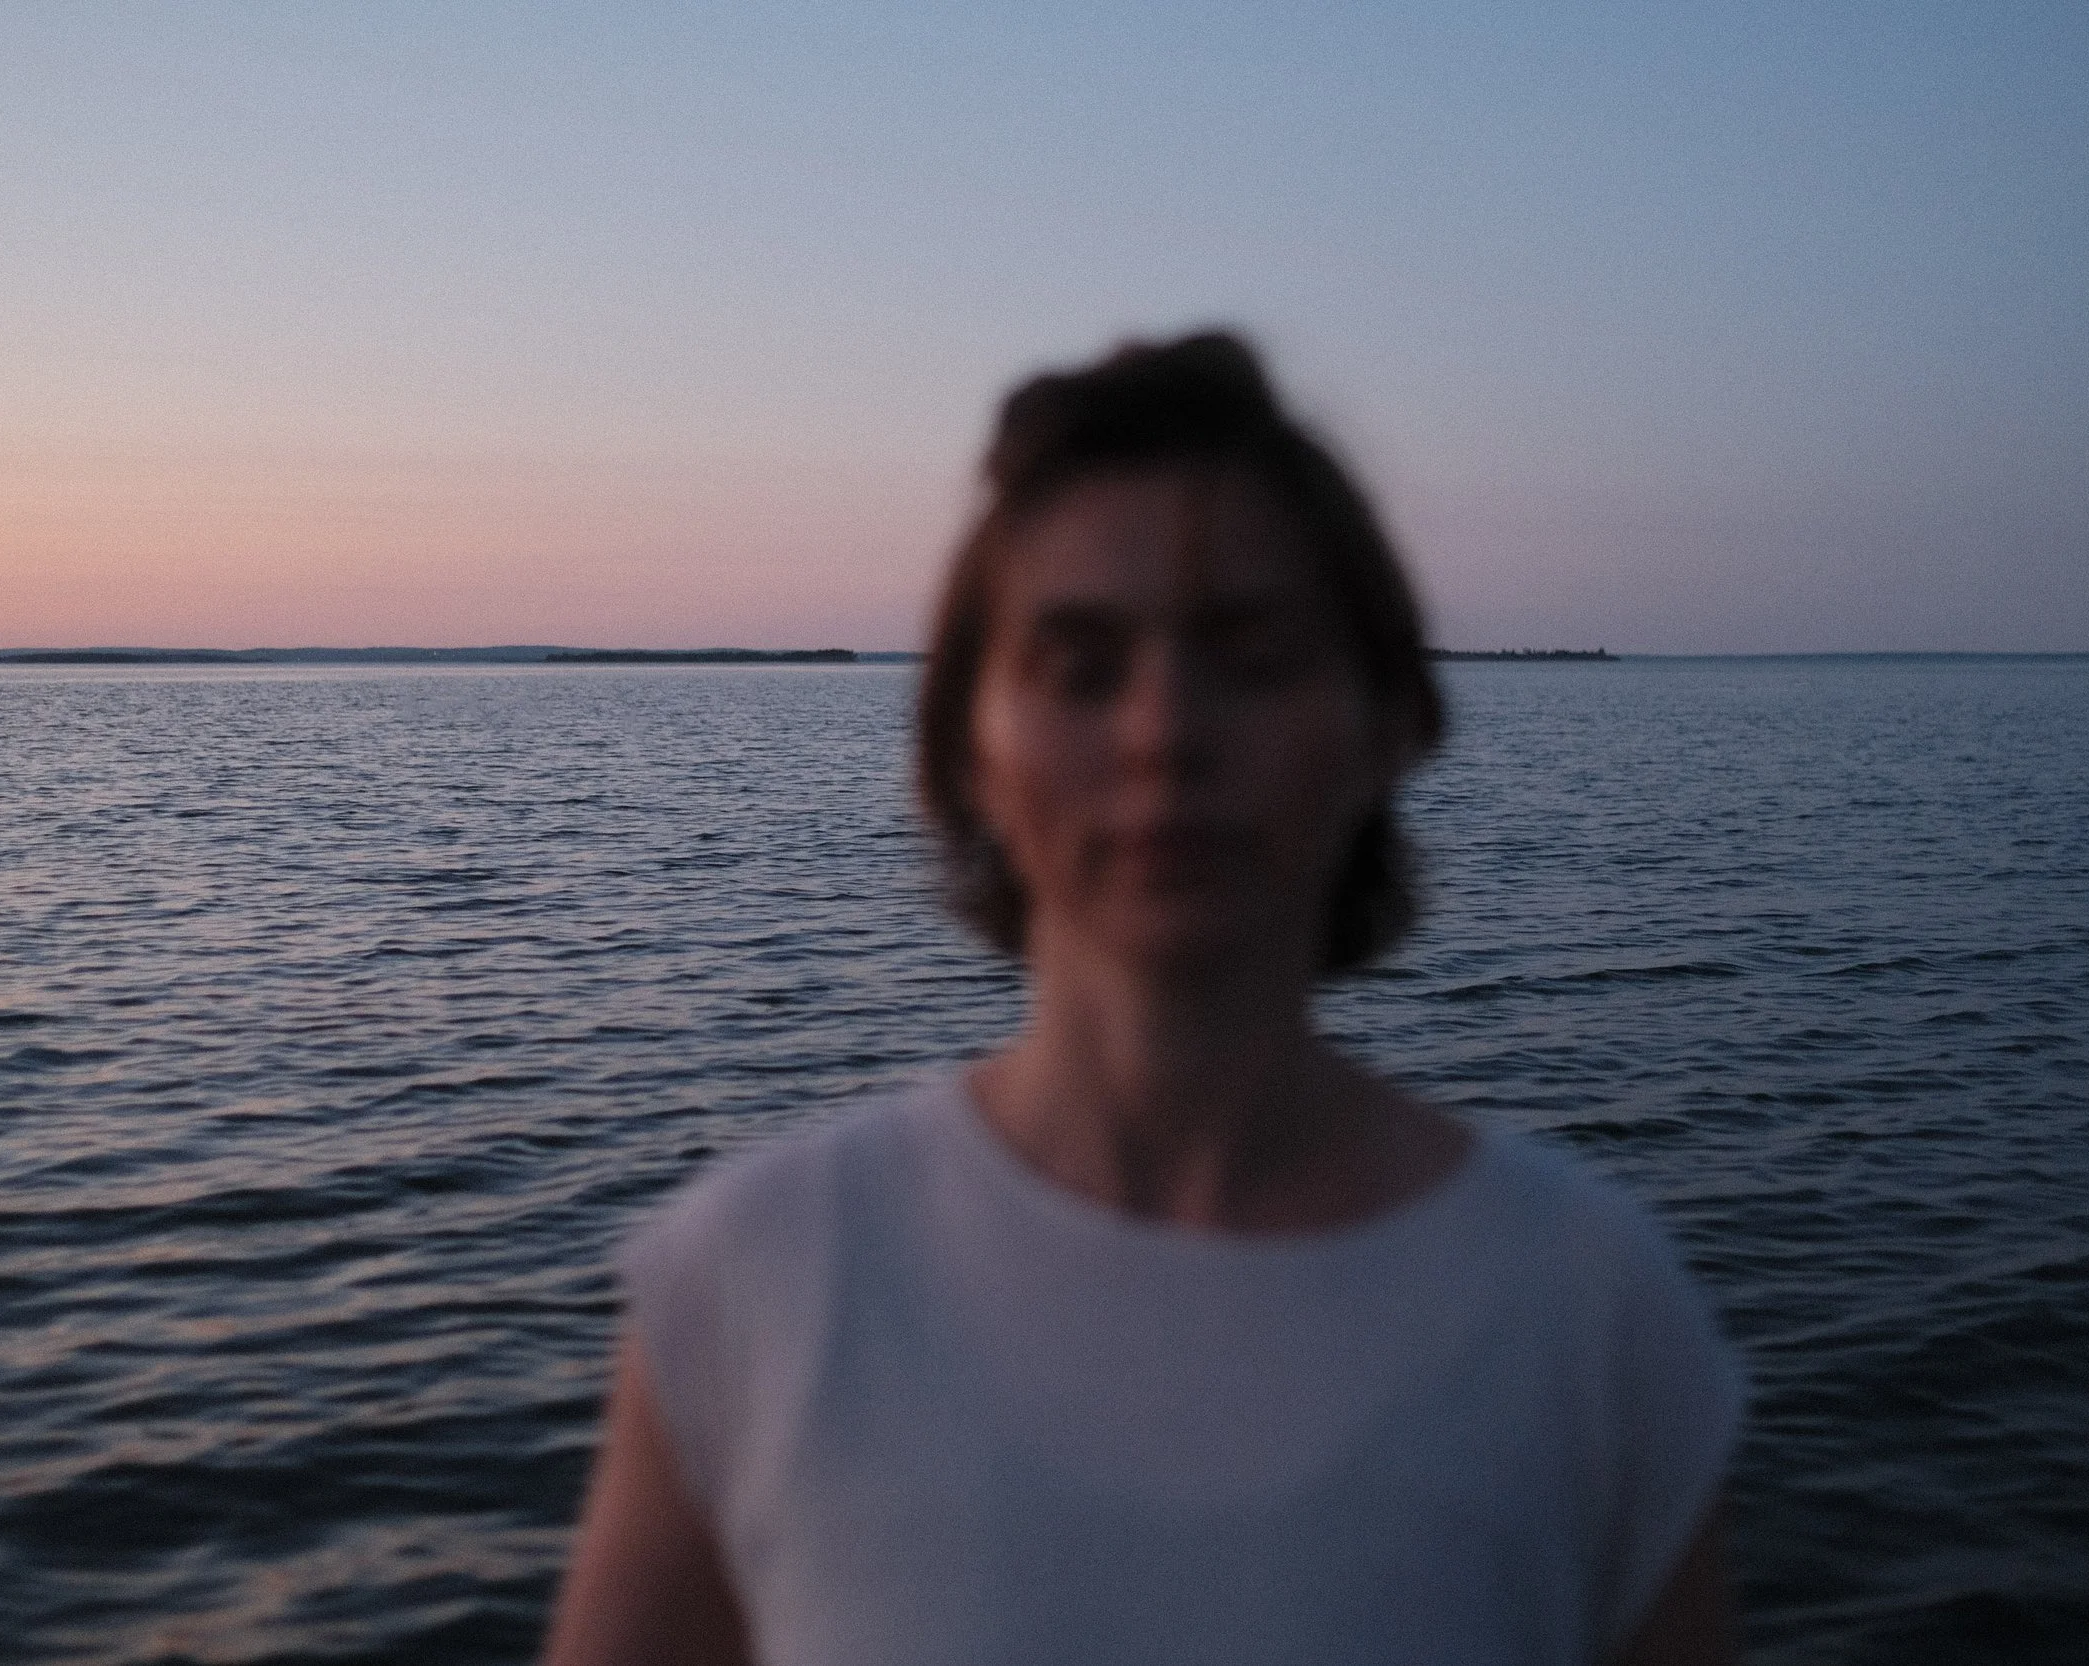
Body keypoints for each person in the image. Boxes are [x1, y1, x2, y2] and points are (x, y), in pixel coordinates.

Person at [541, 332, 1746, 1666]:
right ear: (967, 748)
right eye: (1081, 665)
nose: (1163, 731)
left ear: (1388, 723)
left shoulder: (1588, 1312)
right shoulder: (754, 1282)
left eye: (1254, 654)